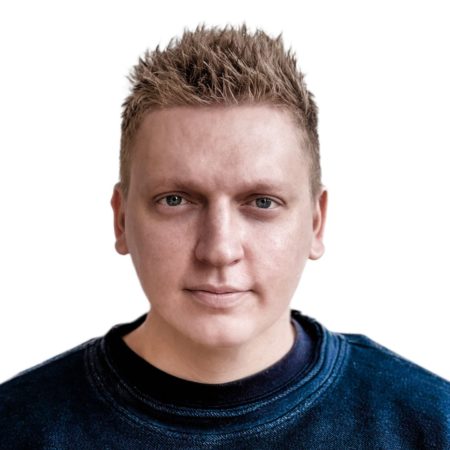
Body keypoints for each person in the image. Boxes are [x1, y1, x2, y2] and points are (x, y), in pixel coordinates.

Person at [0, 25, 449, 449]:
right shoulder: (16, 426)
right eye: (175, 200)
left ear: (316, 223)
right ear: (121, 220)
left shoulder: (430, 426)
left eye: (262, 202)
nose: (219, 250)